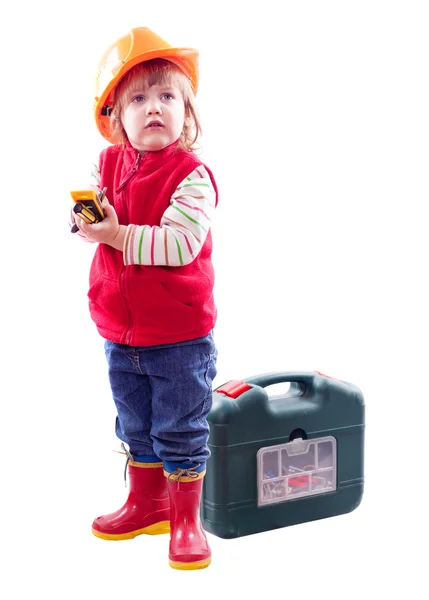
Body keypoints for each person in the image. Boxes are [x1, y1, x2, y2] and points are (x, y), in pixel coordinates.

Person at [71, 27, 218, 571]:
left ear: (188, 113)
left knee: (180, 427)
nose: (153, 107)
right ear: (114, 117)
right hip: (118, 330)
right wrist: (84, 223)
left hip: (179, 337)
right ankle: (146, 502)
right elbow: (94, 216)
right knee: (134, 424)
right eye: (138, 97)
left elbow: (180, 245)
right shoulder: (107, 165)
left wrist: (113, 235)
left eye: (167, 96)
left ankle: (185, 519)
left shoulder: (193, 177)